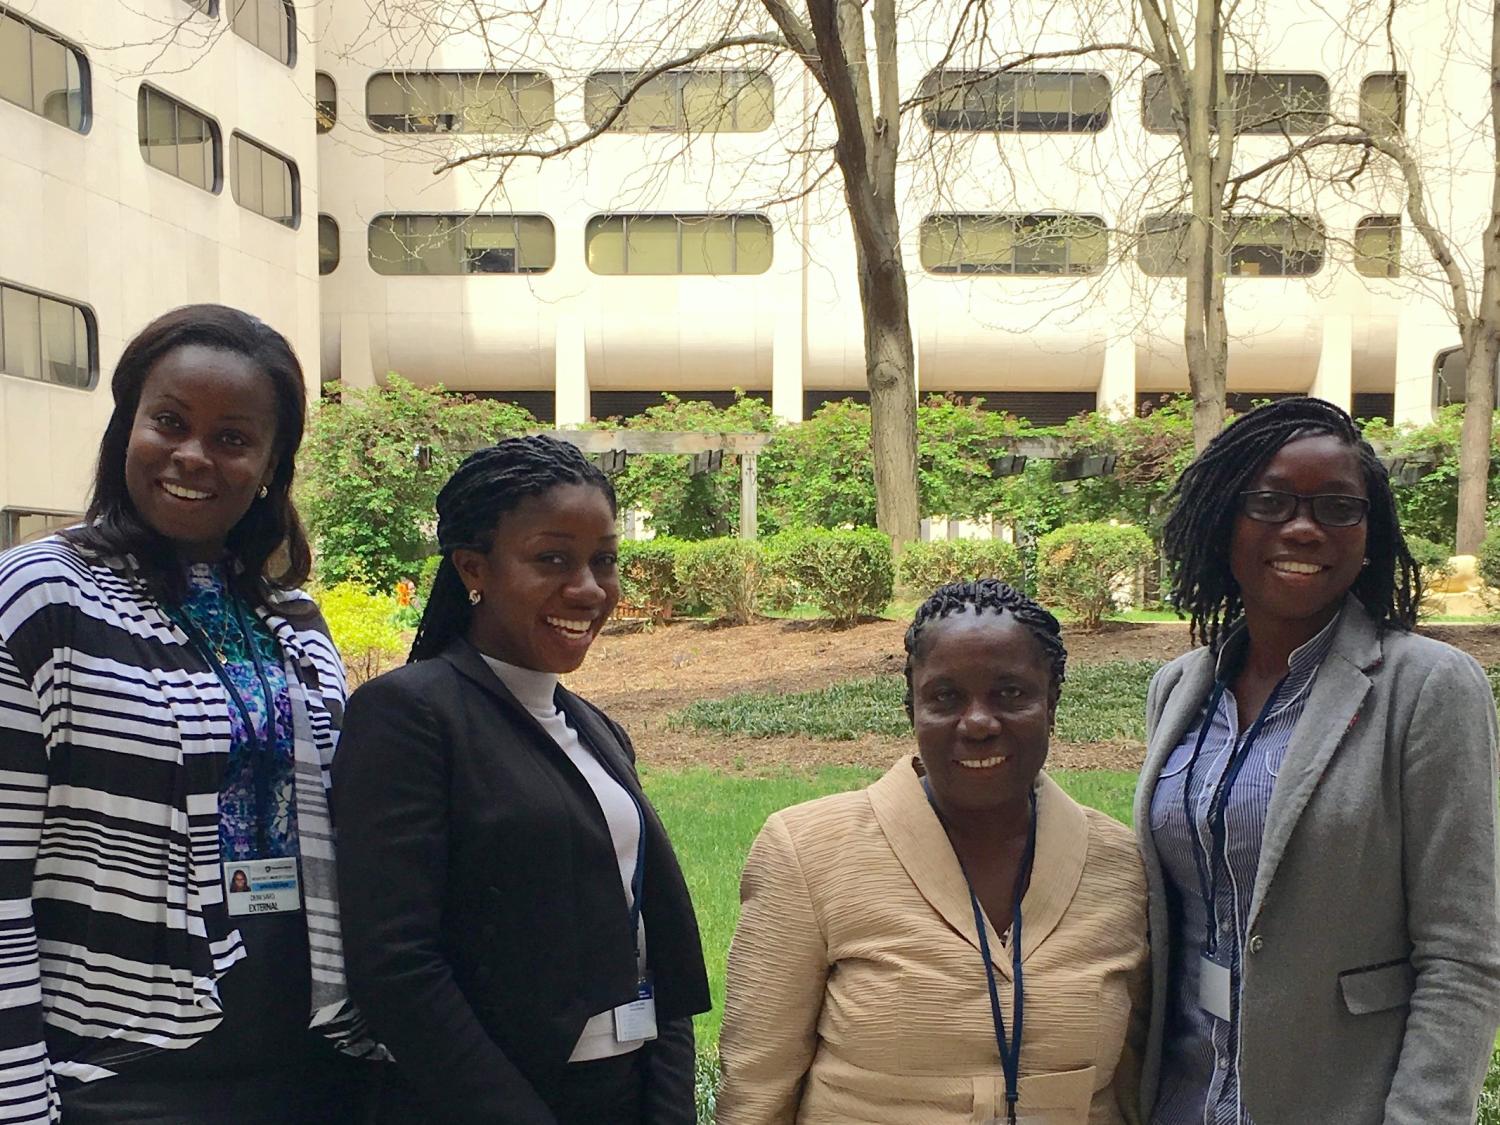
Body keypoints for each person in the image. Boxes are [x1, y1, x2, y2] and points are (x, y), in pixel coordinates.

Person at [0, 304, 379, 1125]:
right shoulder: (40, 599)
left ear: (272, 465)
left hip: (308, 1057)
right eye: (168, 422)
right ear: (126, 426)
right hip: (126, 1076)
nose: (193, 456)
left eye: (233, 438)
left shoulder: (292, 618)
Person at [1135, 396, 1500, 1123]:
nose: (1303, 527)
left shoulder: (1427, 687)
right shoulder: (1178, 688)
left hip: (1335, 1099)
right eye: (1270, 501)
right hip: (1180, 1098)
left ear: (1369, 535)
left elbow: (1463, 954)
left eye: (1338, 507)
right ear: (1224, 520)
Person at [333, 434, 710, 1125]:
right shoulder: (409, 716)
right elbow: (396, 967)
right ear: (474, 568)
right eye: (552, 559)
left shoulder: (594, 728)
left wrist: (665, 1104)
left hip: (624, 1091)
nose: (589, 588)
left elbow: (651, 940)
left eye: (604, 560)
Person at [718, 579, 1149, 1125]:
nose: (977, 723)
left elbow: (1134, 1087)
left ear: (1053, 703)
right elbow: (755, 1091)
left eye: (1010, 693)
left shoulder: (1119, 865)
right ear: (912, 707)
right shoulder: (807, 853)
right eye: (945, 697)